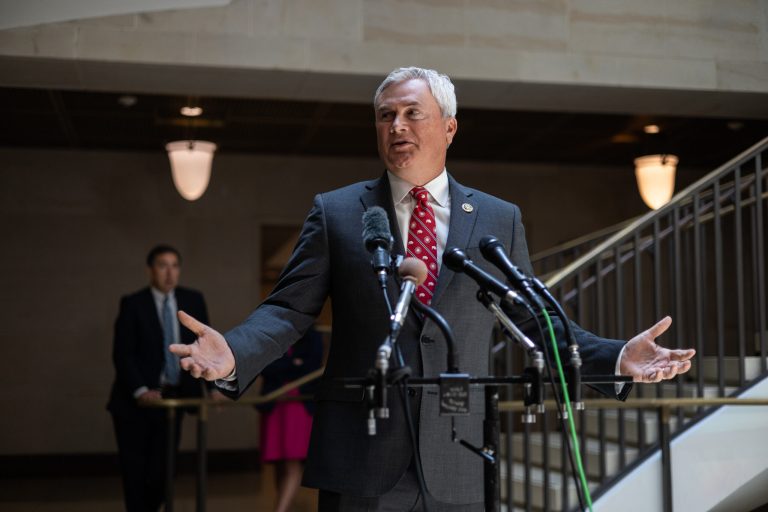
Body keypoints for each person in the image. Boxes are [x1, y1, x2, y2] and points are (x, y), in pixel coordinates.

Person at [170, 67, 696, 511]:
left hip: (460, 453)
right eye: (385, 116)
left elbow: (534, 320)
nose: (396, 126)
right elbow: (289, 308)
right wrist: (234, 353)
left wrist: (616, 356)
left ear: (449, 127)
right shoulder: (337, 212)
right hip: (362, 454)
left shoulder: (497, 218)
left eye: (411, 113)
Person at [107, 244, 211, 512]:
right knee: (135, 473)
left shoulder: (193, 300)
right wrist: (141, 390)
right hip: (136, 404)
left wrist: (211, 389)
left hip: (172, 402)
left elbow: (206, 349)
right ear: (150, 270)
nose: (169, 272)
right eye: (163, 265)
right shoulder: (133, 303)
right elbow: (123, 354)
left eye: (175, 266)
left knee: (163, 472)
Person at [257, 327, 324, 512]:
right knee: (279, 462)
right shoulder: (270, 334)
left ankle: (280, 509)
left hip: (298, 406)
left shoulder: (313, 336)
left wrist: (284, 364)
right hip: (274, 405)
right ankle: (285, 506)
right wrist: (293, 364)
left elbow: (311, 367)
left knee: (292, 462)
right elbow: (264, 367)